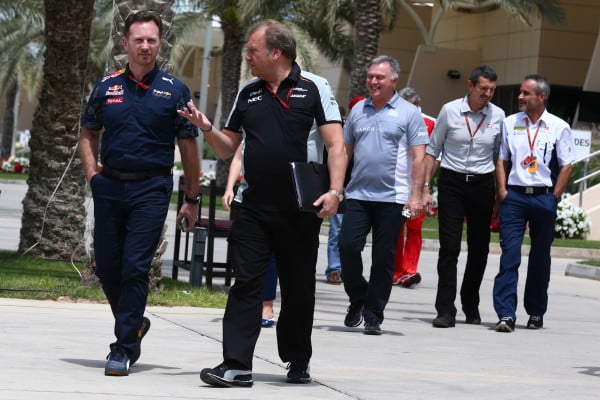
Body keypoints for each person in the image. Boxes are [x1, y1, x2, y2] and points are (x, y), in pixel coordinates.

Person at [178, 20, 346, 387]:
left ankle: (297, 359)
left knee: (299, 286)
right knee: (247, 284)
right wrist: (208, 129)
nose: (247, 56)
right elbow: (229, 149)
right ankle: (236, 364)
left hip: (301, 209)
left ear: (276, 52)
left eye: (252, 50)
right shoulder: (248, 92)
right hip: (253, 207)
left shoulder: (314, 87)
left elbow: (336, 144)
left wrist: (334, 192)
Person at [79, 10, 199, 376]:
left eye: (151, 40)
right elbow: (88, 133)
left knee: (134, 267)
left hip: (152, 187)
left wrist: (190, 199)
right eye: (139, 40)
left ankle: (123, 347)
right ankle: (135, 323)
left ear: (159, 44)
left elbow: (189, 148)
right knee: (108, 266)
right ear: (125, 44)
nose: (145, 46)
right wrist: (92, 176)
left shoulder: (174, 90)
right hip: (110, 185)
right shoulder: (106, 87)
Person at [340, 55, 429, 335]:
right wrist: (335, 187)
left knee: (383, 257)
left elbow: (419, 157)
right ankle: (358, 298)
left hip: (395, 200)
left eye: (380, 77)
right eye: (370, 76)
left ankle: (374, 313)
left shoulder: (408, 113)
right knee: (348, 247)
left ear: (394, 81)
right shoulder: (358, 111)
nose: (373, 81)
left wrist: (416, 196)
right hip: (357, 195)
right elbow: (344, 152)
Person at [424, 65, 505, 328]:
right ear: (470, 86)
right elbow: (433, 150)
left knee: (479, 249)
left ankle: (471, 302)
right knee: (450, 247)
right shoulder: (449, 110)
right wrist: (423, 187)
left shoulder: (499, 116)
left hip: (482, 185)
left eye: (492, 90)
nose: (488, 94)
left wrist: (502, 193)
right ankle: (445, 309)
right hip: (452, 182)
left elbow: (500, 157)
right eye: (483, 89)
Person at [493, 74, 573, 333]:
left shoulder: (559, 126)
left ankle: (536, 312)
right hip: (515, 197)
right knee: (510, 256)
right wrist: (503, 191)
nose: (520, 97)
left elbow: (566, 165)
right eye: (520, 92)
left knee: (540, 258)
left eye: (526, 93)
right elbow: (502, 159)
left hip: (543, 198)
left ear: (542, 97)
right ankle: (506, 314)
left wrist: (554, 196)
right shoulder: (509, 123)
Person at [222, 143, 278, 327]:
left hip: (279, 203)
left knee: (271, 258)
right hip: (248, 201)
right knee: (243, 255)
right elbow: (238, 157)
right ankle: (247, 305)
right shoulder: (251, 126)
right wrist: (229, 187)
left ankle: (266, 304)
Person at [392, 87, 436, 288]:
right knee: (396, 228)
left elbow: (433, 159)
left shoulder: (429, 123)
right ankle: (396, 271)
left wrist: (424, 186)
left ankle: (409, 269)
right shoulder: (393, 118)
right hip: (396, 184)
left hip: (416, 186)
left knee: (414, 226)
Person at [324, 95, 365, 285]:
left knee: (353, 236)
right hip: (340, 186)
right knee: (337, 229)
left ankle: (349, 269)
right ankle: (334, 269)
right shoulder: (339, 131)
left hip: (360, 189)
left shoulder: (368, 132)